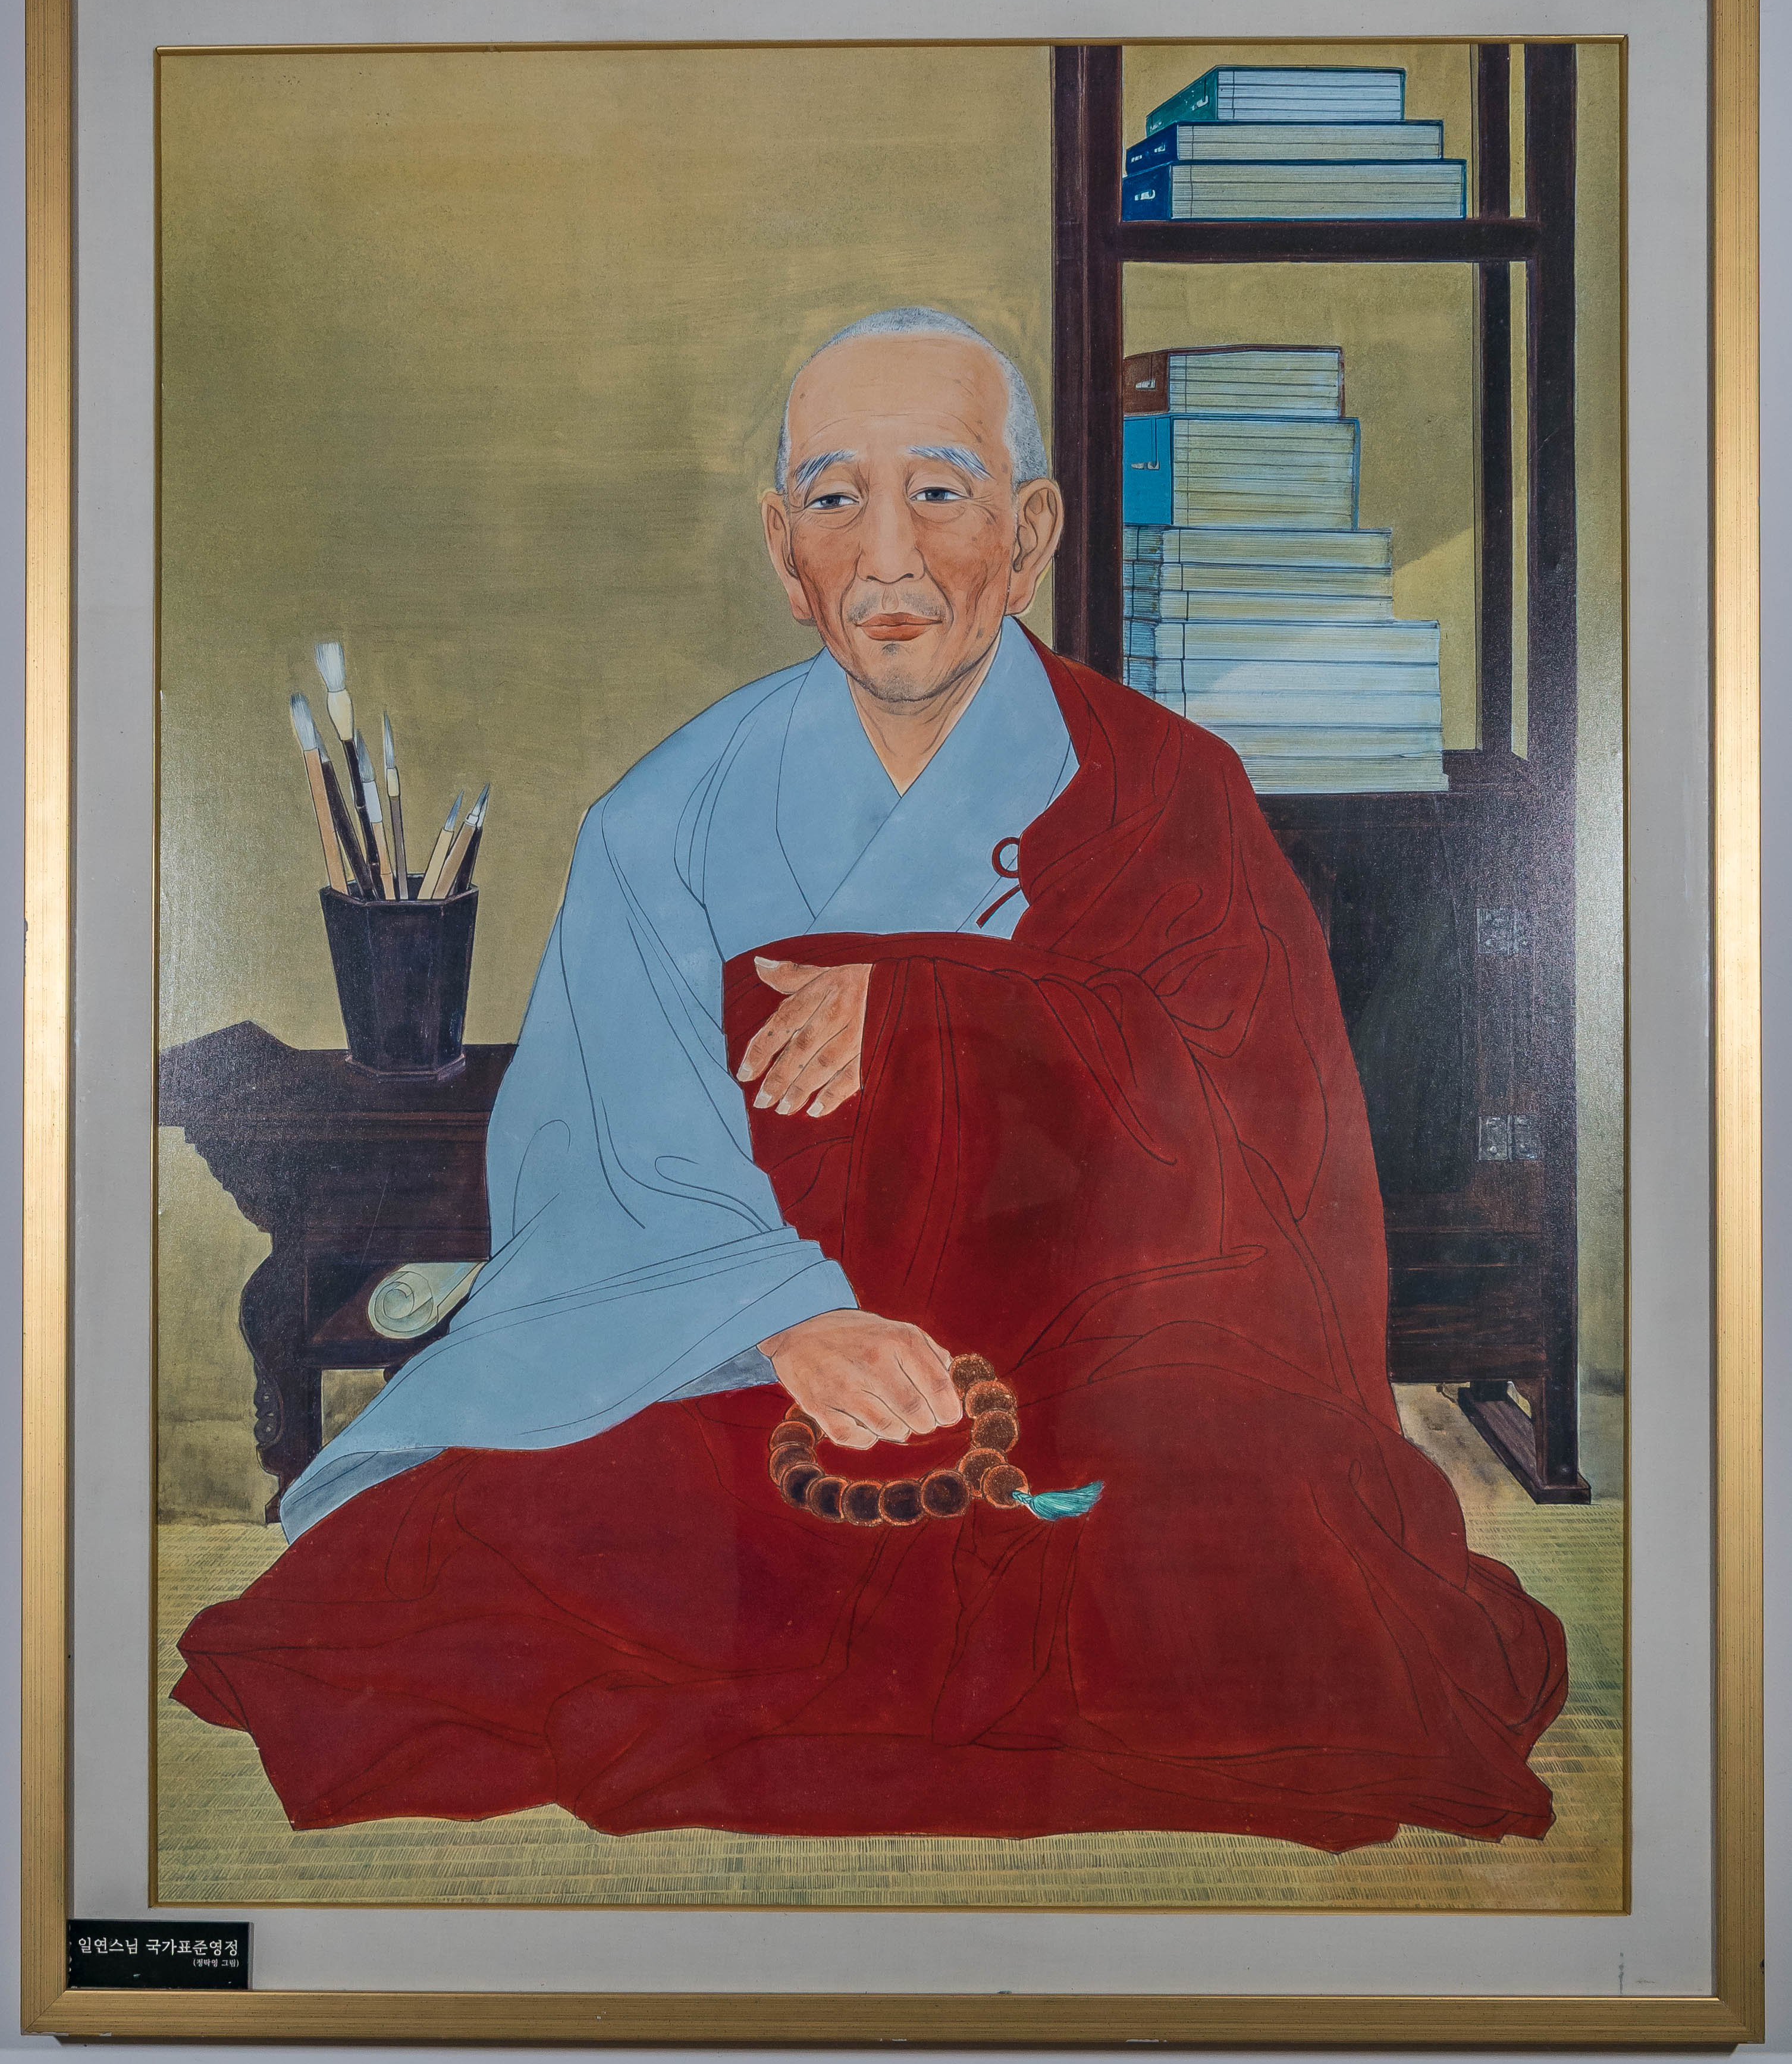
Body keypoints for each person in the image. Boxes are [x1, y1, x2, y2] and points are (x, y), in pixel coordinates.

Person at [175, 307, 1567, 1853]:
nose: (887, 555)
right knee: (441, 1576)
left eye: (942, 491)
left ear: (1029, 535)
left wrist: (939, 1018)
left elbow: (1262, 1141)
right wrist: (789, 1318)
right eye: (836, 497)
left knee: (1233, 1582)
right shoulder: (663, 819)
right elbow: (613, 1149)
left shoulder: (1172, 791)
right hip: (760, 1374)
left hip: (1098, 1371)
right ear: (784, 551)